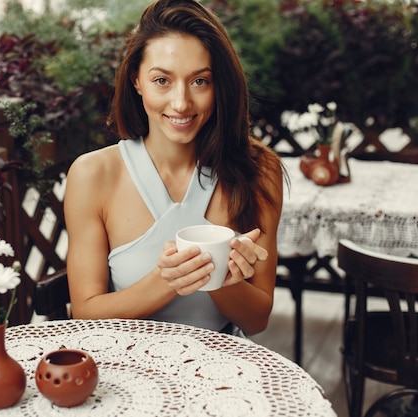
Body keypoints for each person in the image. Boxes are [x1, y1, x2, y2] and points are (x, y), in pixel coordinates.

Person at [64, 0, 284, 336]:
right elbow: (84, 313)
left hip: (223, 376)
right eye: (162, 80)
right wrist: (166, 282)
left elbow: (257, 321)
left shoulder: (259, 170)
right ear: (136, 80)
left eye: (200, 82)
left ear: (219, 85)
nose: (181, 103)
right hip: (125, 372)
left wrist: (221, 279)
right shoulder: (92, 175)